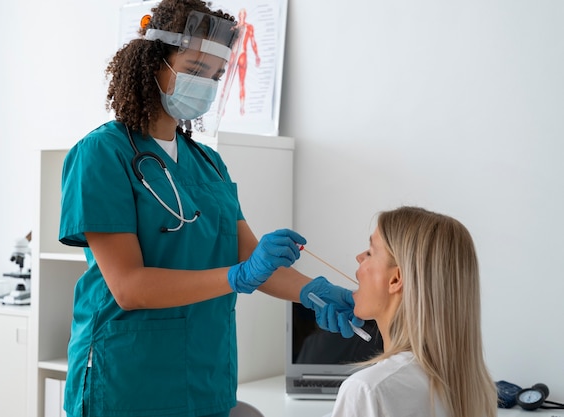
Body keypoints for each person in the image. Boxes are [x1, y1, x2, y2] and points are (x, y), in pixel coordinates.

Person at [58, 1, 362, 416]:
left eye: (216, 75)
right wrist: (238, 277)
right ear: (153, 63)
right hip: (129, 376)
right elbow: (129, 288)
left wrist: (312, 293)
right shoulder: (101, 154)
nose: (206, 85)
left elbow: (250, 257)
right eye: (195, 69)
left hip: (205, 371)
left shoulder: (208, 163)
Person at [330, 206, 498, 417]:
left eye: (370, 252)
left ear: (396, 279)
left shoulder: (368, 390)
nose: (359, 257)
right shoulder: (476, 389)